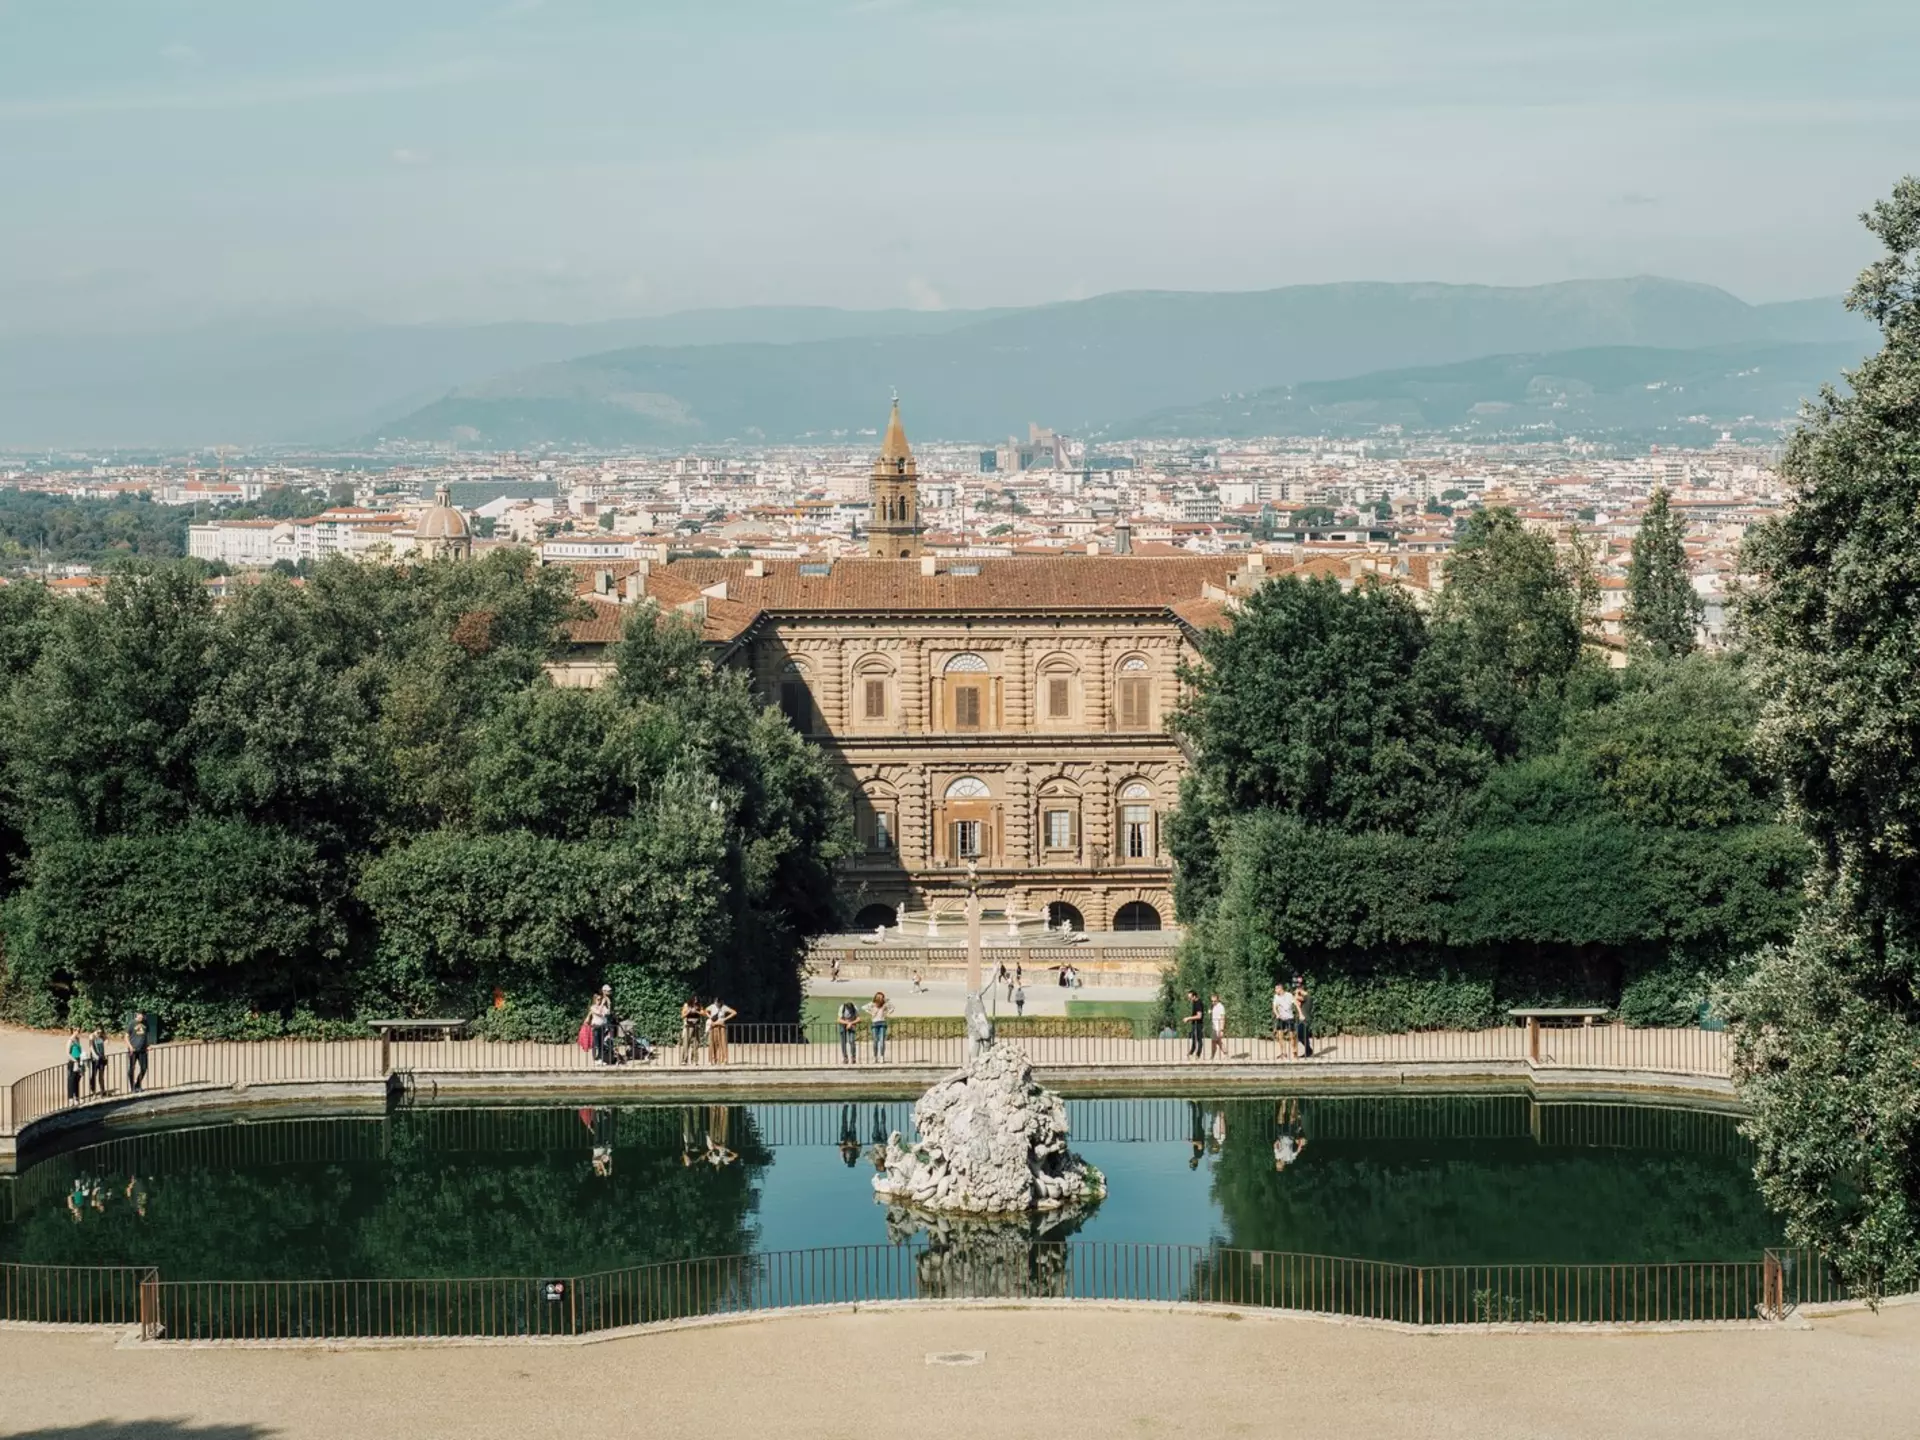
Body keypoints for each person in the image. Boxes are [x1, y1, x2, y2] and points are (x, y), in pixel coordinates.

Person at [706, 997, 737, 1063]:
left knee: (722, 1042)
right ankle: (713, 1059)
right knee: (713, 1043)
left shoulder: (724, 1007)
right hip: (713, 1026)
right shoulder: (712, 1006)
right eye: (715, 1002)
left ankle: (724, 1059)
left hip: (721, 1026)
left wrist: (724, 1019)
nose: (716, 1004)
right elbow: (705, 1011)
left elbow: (734, 1012)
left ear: (720, 1002)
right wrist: (710, 1017)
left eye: (718, 1002)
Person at [588, 986, 613, 1065]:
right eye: (598, 1000)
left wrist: (608, 1004)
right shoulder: (592, 1007)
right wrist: (602, 1005)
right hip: (596, 1027)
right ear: (595, 1000)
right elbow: (598, 1013)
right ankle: (595, 1059)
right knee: (596, 1044)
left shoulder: (603, 1007)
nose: (599, 1001)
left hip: (602, 1027)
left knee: (601, 1043)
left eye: (600, 999)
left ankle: (601, 1059)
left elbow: (608, 1013)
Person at [1273, 981, 1298, 1060]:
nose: (1275, 991)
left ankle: (1294, 1053)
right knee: (1280, 1036)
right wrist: (1277, 1014)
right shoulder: (1276, 996)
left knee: (1292, 1037)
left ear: (1280, 989)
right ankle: (1283, 1053)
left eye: (1276, 989)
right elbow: (1274, 1007)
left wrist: (1300, 1013)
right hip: (1281, 1018)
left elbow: (1296, 1003)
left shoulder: (1289, 995)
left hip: (1289, 1018)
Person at [126, 1012, 151, 1092]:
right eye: (140, 1015)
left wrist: (147, 1045)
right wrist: (130, 1047)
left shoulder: (146, 1023)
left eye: (143, 1015)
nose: (142, 1017)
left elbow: (146, 1035)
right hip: (133, 1050)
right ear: (137, 1015)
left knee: (144, 1068)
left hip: (143, 1050)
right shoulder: (132, 1023)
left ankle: (138, 1084)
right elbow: (126, 1036)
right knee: (131, 1068)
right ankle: (132, 1087)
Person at [1293, 976, 1316, 1059]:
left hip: (1305, 1019)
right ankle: (1308, 1051)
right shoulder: (1306, 997)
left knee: (1300, 1035)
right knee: (1304, 1036)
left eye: (1299, 988)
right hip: (1303, 1018)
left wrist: (1297, 992)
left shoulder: (1307, 997)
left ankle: (1309, 1050)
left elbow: (1295, 999)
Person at [866, 991, 892, 1061]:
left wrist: (887, 1013)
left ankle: (882, 1056)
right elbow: (864, 1007)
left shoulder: (885, 1005)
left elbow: (892, 1007)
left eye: (881, 997)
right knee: (875, 1041)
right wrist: (871, 1012)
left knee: (882, 1041)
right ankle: (875, 1056)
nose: (880, 998)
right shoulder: (872, 1004)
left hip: (882, 1023)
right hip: (874, 1023)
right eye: (879, 996)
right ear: (876, 997)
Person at [678, 998, 703, 1065]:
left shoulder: (699, 1005)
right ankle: (684, 1060)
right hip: (689, 1026)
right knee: (686, 1043)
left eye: (697, 1000)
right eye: (694, 1000)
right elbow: (682, 1016)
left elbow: (704, 1013)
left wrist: (697, 1011)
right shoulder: (686, 1005)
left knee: (696, 1044)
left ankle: (695, 1060)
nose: (695, 1001)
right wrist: (689, 1011)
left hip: (696, 1026)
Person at [87, 1028, 108, 1096]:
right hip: (95, 1058)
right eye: (98, 1032)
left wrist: (104, 1035)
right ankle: (93, 1090)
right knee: (94, 1074)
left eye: (100, 1032)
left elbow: (107, 1040)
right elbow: (90, 1047)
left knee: (101, 1075)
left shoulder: (101, 1036)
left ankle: (103, 1090)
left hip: (101, 1057)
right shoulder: (92, 1036)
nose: (99, 1033)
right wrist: (94, 1055)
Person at [838, 998, 860, 1063]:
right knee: (843, 1042)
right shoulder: (842, 1007)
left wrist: (851, 1023)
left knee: (852, 1041)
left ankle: (853, 1057)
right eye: (848, 1008)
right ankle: (845, 1058)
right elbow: (839, 1019)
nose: (849, 1010)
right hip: (843, 1025)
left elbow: (859, 1018)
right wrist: (847, 1023)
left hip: (852, 1024)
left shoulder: (855, 1008)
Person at [1184, 991, 1204, 1059]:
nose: (1189, 999)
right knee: (1194, 1039)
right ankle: (1192, 1052)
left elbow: (1199, 1016)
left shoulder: (1198, 1003)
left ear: (1194, 996)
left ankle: (1197, 1054)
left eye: (1190, 997)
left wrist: (1188, 1018)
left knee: (1198, 1039)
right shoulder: (1194, 1002)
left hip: (1197, 1024)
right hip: (1195, 1023)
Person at [65, 1029, 83, 1102]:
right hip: (73, 1061)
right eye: (76, 1030)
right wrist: (74, 1060)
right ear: (73, 1031)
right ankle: (70, 1097)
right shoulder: (70, 1041)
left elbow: (79, 1050)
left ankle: (77, 1096)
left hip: (78, 1060)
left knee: (77, 1078)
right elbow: (68, 1053)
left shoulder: (77, 1039)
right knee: (71, 1079)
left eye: (78, 1031)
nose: (77, 1032)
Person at [1209, 994, 1227, 1059]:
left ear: (1218, 1000)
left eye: (1215, 1001)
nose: (1213, 1002)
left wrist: (1221, 1029)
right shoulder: (1213, 1006)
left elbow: (1223, 1018)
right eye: (1212, 1001)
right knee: (1216, 1042)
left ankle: (1212, 1056)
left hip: (1218, 1027)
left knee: (1216, 1041)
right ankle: (1225, 1054)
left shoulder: (1221, 1007)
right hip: (1214, 1027)